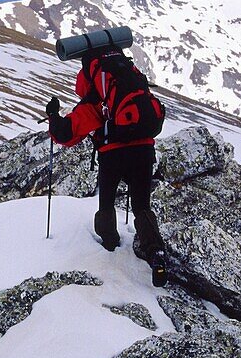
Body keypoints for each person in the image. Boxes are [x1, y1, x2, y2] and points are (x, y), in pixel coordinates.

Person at [46, 46, 168, 287]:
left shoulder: (96, 101)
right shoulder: (134, 87)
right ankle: (156, 254)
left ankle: (109, 244)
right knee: (142, 205)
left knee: (107, 203)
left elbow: (66, 134)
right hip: (144, 151)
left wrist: (53, 115)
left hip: (113, 155)